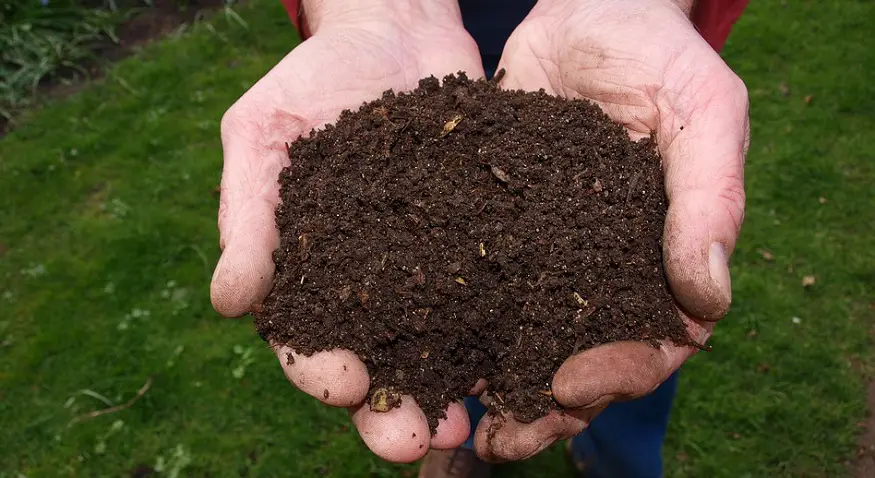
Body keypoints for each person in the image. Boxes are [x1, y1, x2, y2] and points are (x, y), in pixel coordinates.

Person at [210, 0, 750, 476]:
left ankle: (615, 459)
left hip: (587, 42)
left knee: (622, 366)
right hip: (419, 29)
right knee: (441, 366)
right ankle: (461, 432)